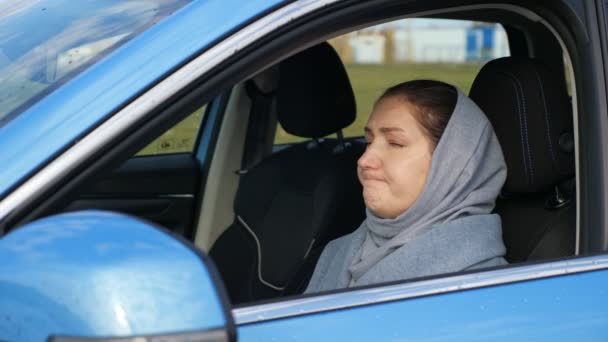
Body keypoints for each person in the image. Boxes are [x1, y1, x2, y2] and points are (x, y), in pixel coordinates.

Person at [305, 80, 508, 293]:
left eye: (395, 143)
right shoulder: (339, 250)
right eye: (369, 141)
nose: (364, 160)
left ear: (452, 164)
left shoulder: (480, 287)